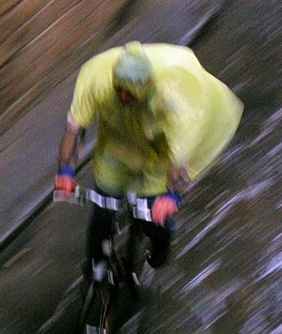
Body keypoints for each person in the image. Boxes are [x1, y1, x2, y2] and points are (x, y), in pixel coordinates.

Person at [55, 41, 244, 274]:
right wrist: (65, 171)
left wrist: (171, 195)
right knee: (102, 209)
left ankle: (161, 241)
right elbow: (74, 129)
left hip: (159, 157)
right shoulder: (97, 80)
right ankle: (96, 263)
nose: (123, 96)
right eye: (119, 90)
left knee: (153, 216)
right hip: (117, 147)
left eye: (129, 92)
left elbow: (180, 158)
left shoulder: (173, 99)